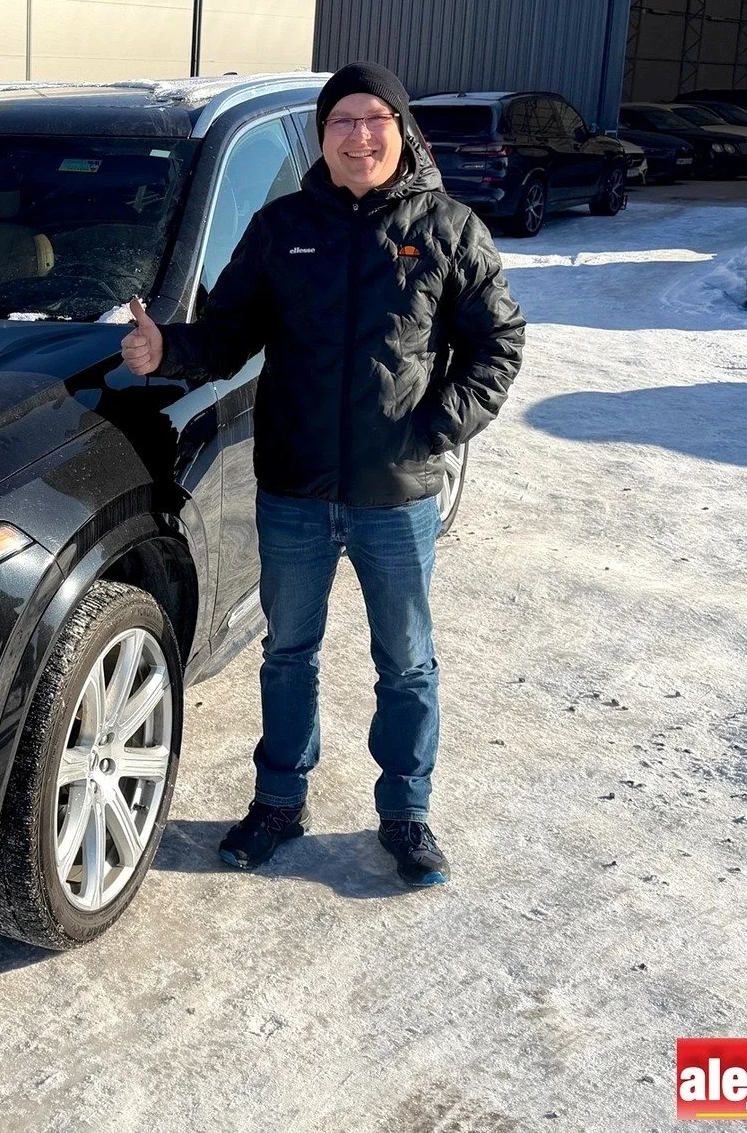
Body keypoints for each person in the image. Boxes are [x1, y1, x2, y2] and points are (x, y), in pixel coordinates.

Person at [120, 61, 524, 885]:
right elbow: (228, 334)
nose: (359, 135)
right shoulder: (280, 229)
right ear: (323, 135)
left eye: (375, 118)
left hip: (395, 494)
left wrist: (435, 429)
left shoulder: (448, 228)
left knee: (405, 658)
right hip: (296, 489)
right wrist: (169, 350)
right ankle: (279, 800)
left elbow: (499, 344)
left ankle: (406, 814)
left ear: (401, 130)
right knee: (288, 652)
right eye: (343, 120)